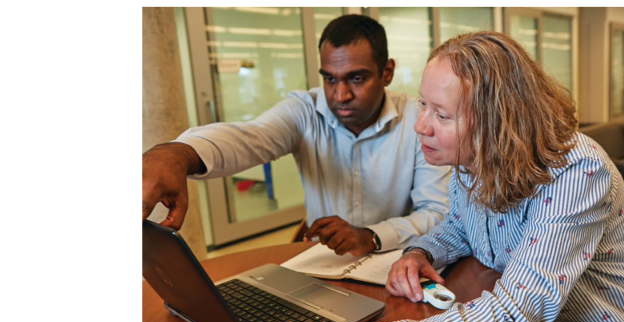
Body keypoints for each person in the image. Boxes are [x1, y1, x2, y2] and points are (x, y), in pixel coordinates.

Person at [376, 31, 624, 322]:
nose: (420, 125)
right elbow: (462, 226)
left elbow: (515, 313)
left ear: (496, 121)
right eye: (423, 104)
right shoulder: (474, 155)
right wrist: (421, 253)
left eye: (442, 115)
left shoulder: (576, 170)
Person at [142, 15, 450, 256]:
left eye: (356, 78)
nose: (340, 94)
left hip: (394, 257)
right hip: (322, 259)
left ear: (387, 72)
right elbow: (251, 137)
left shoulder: (417, 120)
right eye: (329, 78)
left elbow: (437, 212)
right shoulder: (305, 110)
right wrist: (178, 153)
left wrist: (370, 236)